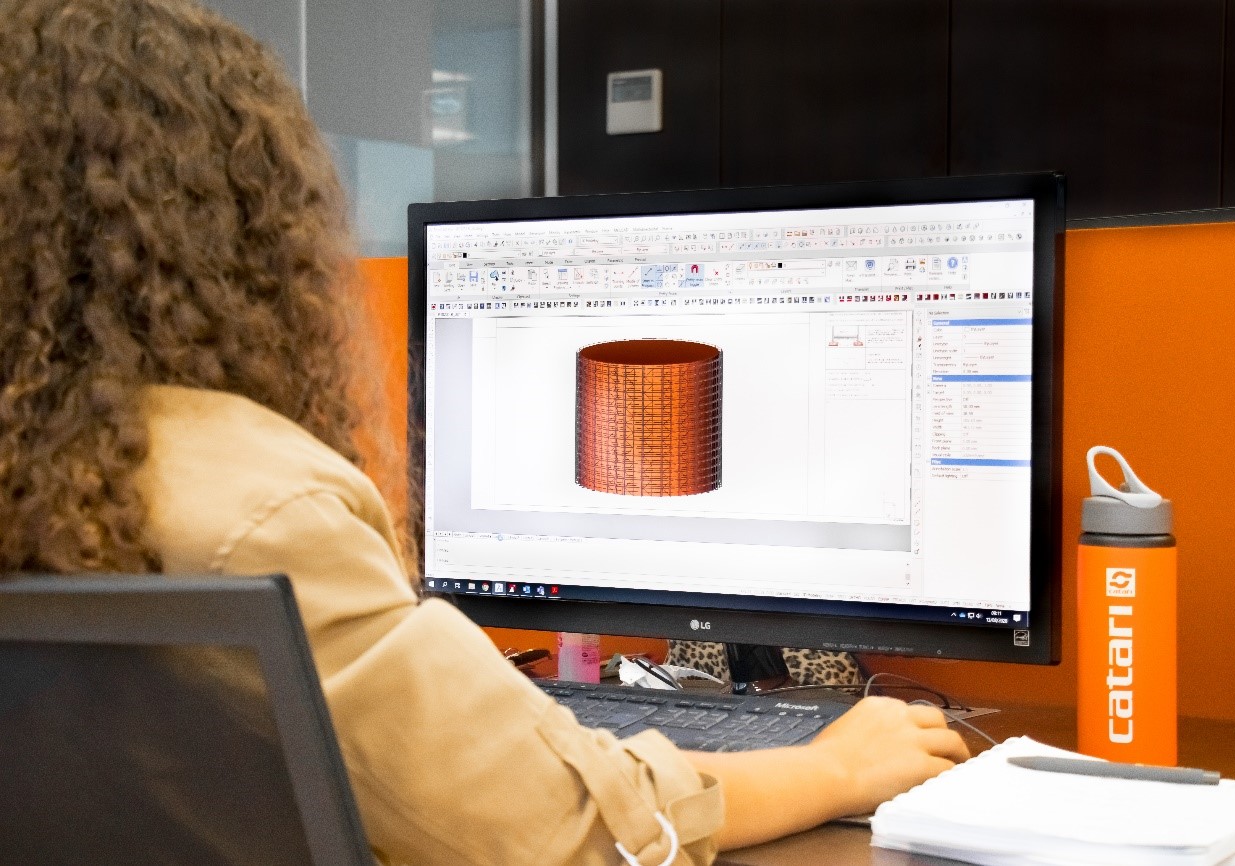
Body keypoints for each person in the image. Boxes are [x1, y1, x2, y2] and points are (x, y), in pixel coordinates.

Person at [0, 0, 969, 863]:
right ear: (234, 225)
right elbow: (555, 830)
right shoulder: (258, 507)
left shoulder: (48, 470)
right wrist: (833, 767)